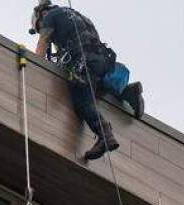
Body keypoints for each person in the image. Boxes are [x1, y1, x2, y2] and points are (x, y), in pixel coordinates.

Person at [30, 0, 145, 162]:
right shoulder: (76, 15)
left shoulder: (49, 17)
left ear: (40, 16)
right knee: (97, 83)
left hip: (82, 59)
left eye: (38, 26)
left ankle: (105, 135)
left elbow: (43, 44)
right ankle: (128, 92)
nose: (40, 28)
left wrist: (35, 67)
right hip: (102, 57)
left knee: (83, 102)